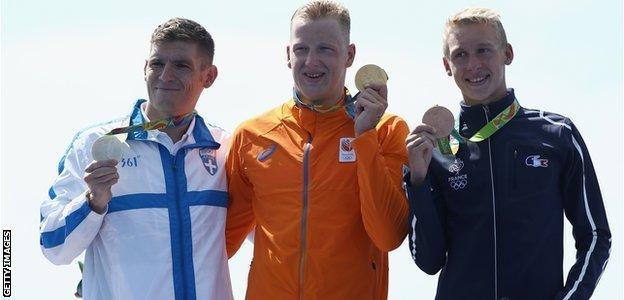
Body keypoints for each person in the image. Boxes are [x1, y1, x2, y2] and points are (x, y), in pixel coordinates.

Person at [405, 7, 611, 300]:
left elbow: (595, 236)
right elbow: (429, 261)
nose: (473, 64)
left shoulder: (557, 133)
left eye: (483, 50)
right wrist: (418, 181)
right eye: (460, 54)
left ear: (508, 54)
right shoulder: (436, 150)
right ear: (447, 65)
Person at [225, 1, 409, 299]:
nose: (311, 61)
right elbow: (218, 245)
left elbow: (388, 235)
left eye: (325, 49)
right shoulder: (251, 135)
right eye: (301, 49)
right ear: (288, 55)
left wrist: (364, 135)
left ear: (349, 55)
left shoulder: (387, 130)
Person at [39, 18, 233, 300]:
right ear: (145, 69)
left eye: (181, 65)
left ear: (209, 76)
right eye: (157, 64)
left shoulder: (227, 148)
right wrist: (93, 202)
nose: (165, 75)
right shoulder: (95, 143)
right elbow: (53, 246)